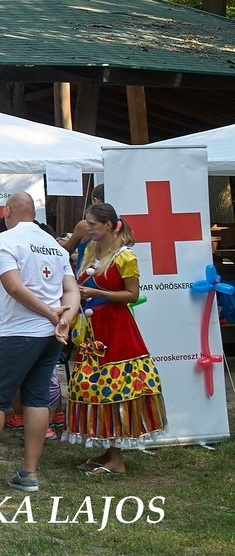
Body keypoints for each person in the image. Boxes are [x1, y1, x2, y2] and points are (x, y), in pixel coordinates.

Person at [0, 192, 78, 494]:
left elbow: (12, 284)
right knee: (36, 398)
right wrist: (64, 318)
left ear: (8, 211)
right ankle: (29, 473)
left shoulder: (6, 241)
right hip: (50, 335)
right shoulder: (54, 245)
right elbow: (72, 290)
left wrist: (51, 313)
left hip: (16, 333)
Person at [65, 203, 167, 474]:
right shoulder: (88, 250)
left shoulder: (125, 257)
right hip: (92, 329)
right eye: (87, 223)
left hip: (117, 330)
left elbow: (132, 295)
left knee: (117, 387)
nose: (88, 228)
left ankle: (117, 459)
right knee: (95, 386)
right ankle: (110, 451)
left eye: (92, 224)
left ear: (109, 225)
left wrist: (99, 295)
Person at [58, 184, 105, 269]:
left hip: (86, 278)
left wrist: (57, 243)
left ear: (96, 200)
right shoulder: (120, 224)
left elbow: (65, 251)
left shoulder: (85, 226)